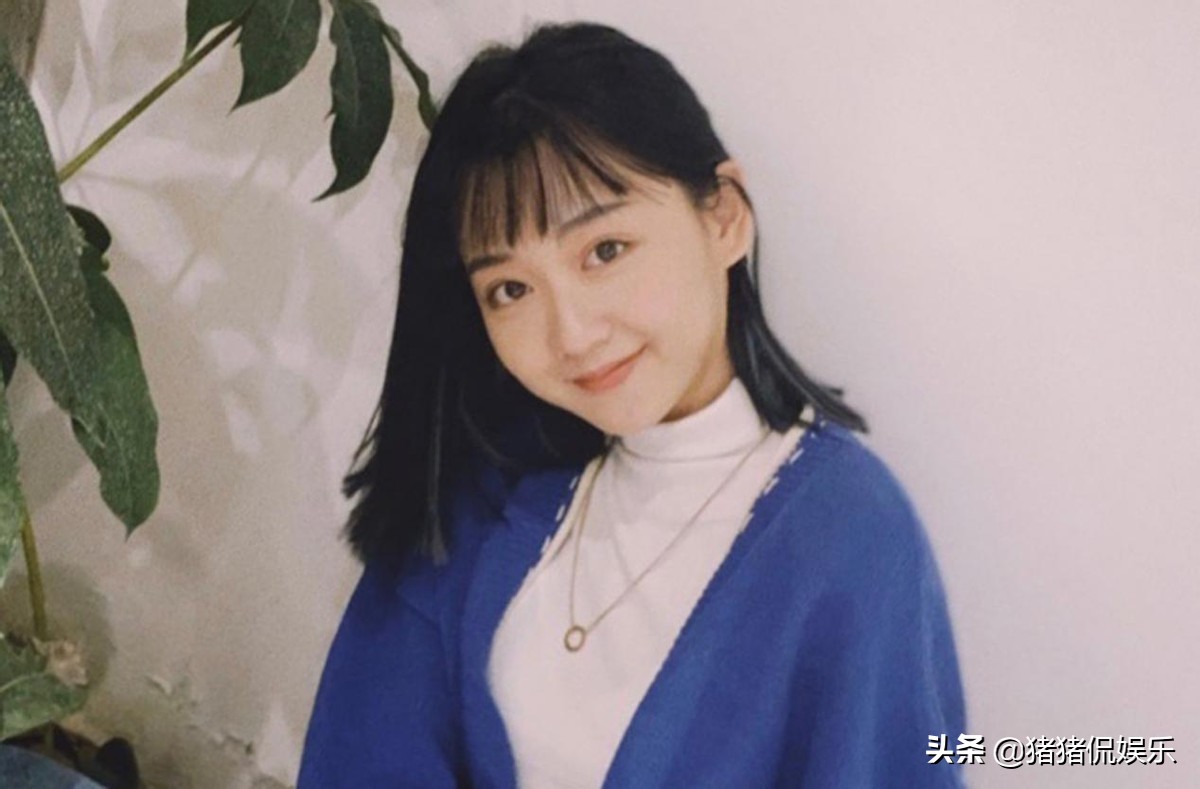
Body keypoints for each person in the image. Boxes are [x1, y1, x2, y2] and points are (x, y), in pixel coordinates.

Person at [298, 20, 966, 788]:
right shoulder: (480, 493)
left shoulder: (851, 536)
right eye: (510, 289)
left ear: (724, 218)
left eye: (604, 251)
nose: (572, 334)